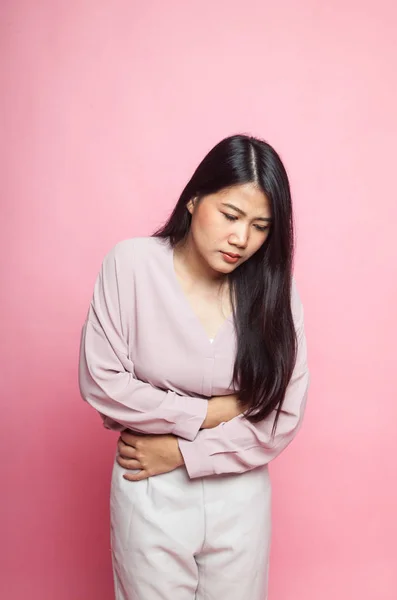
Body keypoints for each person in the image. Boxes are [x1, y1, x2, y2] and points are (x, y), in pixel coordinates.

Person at [78, 133, 309, 600]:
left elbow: (282, 414)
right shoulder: (132, 265)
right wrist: (212, 412)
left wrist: (181, 452)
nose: (242, 239)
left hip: (238, 492)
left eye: (261, 226)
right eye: (231, 215)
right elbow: (103, 382)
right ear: (193, 198)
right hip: (148, 485)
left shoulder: (274, 292)